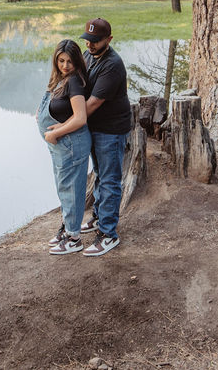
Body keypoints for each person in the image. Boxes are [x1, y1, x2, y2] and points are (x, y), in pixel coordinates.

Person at [78, 17, 131, 257]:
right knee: (99, 174)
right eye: (87, 40)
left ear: (108, 40)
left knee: (110, 179)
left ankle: (108, 234)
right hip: (95, 127)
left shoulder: (112, 64)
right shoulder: (88, 55)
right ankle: (99, 217)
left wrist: (68, 124)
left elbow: (93, 103)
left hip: (110, 130)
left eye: (95, 41)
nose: (90, 45)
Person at [35, 39, 93, 255]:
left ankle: (74, 238)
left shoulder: (74, 82)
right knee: (64, 188)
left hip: (71, 144)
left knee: (72, 190)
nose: (65, 65)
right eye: (61, 60)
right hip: (61, 146)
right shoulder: (61, 79)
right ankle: (68, 228)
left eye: (69, 61)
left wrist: (56, 133)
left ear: (77, 61)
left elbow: (80, 118)